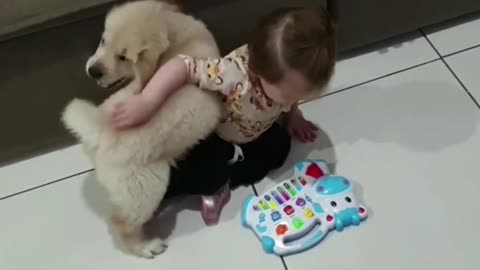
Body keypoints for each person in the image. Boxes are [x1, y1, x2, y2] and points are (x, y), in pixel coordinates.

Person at [111, 6, 337, 225]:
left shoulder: (288, 82)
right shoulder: (232, 73)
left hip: (249, 135)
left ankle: (225, 178)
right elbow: (183, 66)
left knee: (279, 148)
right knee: (199, 170)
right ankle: (170, 192)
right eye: (286, 97)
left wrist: (294, 115)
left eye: (298, 97)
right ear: (260, 71)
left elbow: (290, 99)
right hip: (213, 136)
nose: (289, 103)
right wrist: (147, 101)